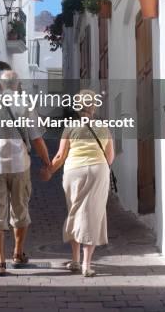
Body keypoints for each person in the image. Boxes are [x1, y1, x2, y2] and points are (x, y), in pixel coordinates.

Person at [0, 70, 51, 276]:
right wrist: (48, 163)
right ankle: (18, 253)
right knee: (20, 209)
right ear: (17, 85)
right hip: (20, 165)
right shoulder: (26, 104)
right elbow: (37, 139)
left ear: (1, 85)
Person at [41, 90, 114, 277]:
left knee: (75, 211)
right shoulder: (103, 128)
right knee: (92, 215)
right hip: (98, 170)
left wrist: (49, 171)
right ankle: (86, 265)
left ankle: (75, 260)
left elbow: (60, 156)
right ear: (94, 107)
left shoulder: (70, 128)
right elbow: (110, 157)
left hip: (74, 172)